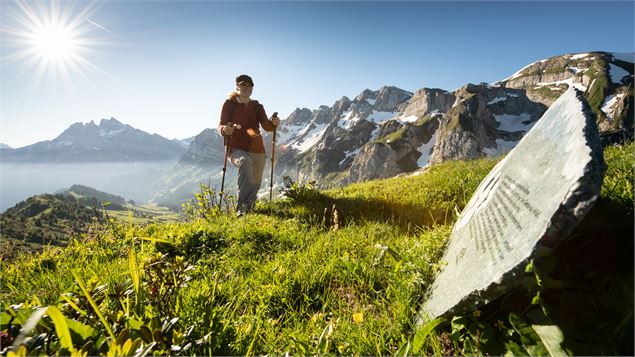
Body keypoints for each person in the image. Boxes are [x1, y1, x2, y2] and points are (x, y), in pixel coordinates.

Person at [218, 74, 280, 215]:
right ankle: (242, 210)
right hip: (235, 147)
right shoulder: (229, 104)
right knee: (245, 163)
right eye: (243, 85)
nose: (246, 88)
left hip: (257, 149)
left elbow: (267, 126)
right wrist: (224, 129)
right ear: (237, 87)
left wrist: (274, 123)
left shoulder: (257, 106)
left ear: (252, 88)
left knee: (256, 179)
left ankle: (249, 208)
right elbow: (221, 124)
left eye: (249, 85)